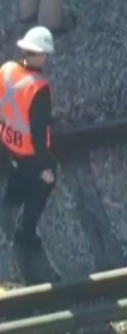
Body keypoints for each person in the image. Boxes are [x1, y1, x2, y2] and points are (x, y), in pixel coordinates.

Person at [0, 27, 58, 250]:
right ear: (41, 55)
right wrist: (46, 169)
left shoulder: (6, 69)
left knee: (16, 178)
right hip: (30, 153)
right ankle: (26, 236)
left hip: (8, 141)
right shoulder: (38, 89)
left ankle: (8, 207)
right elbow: (38, 132)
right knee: (40, 190)